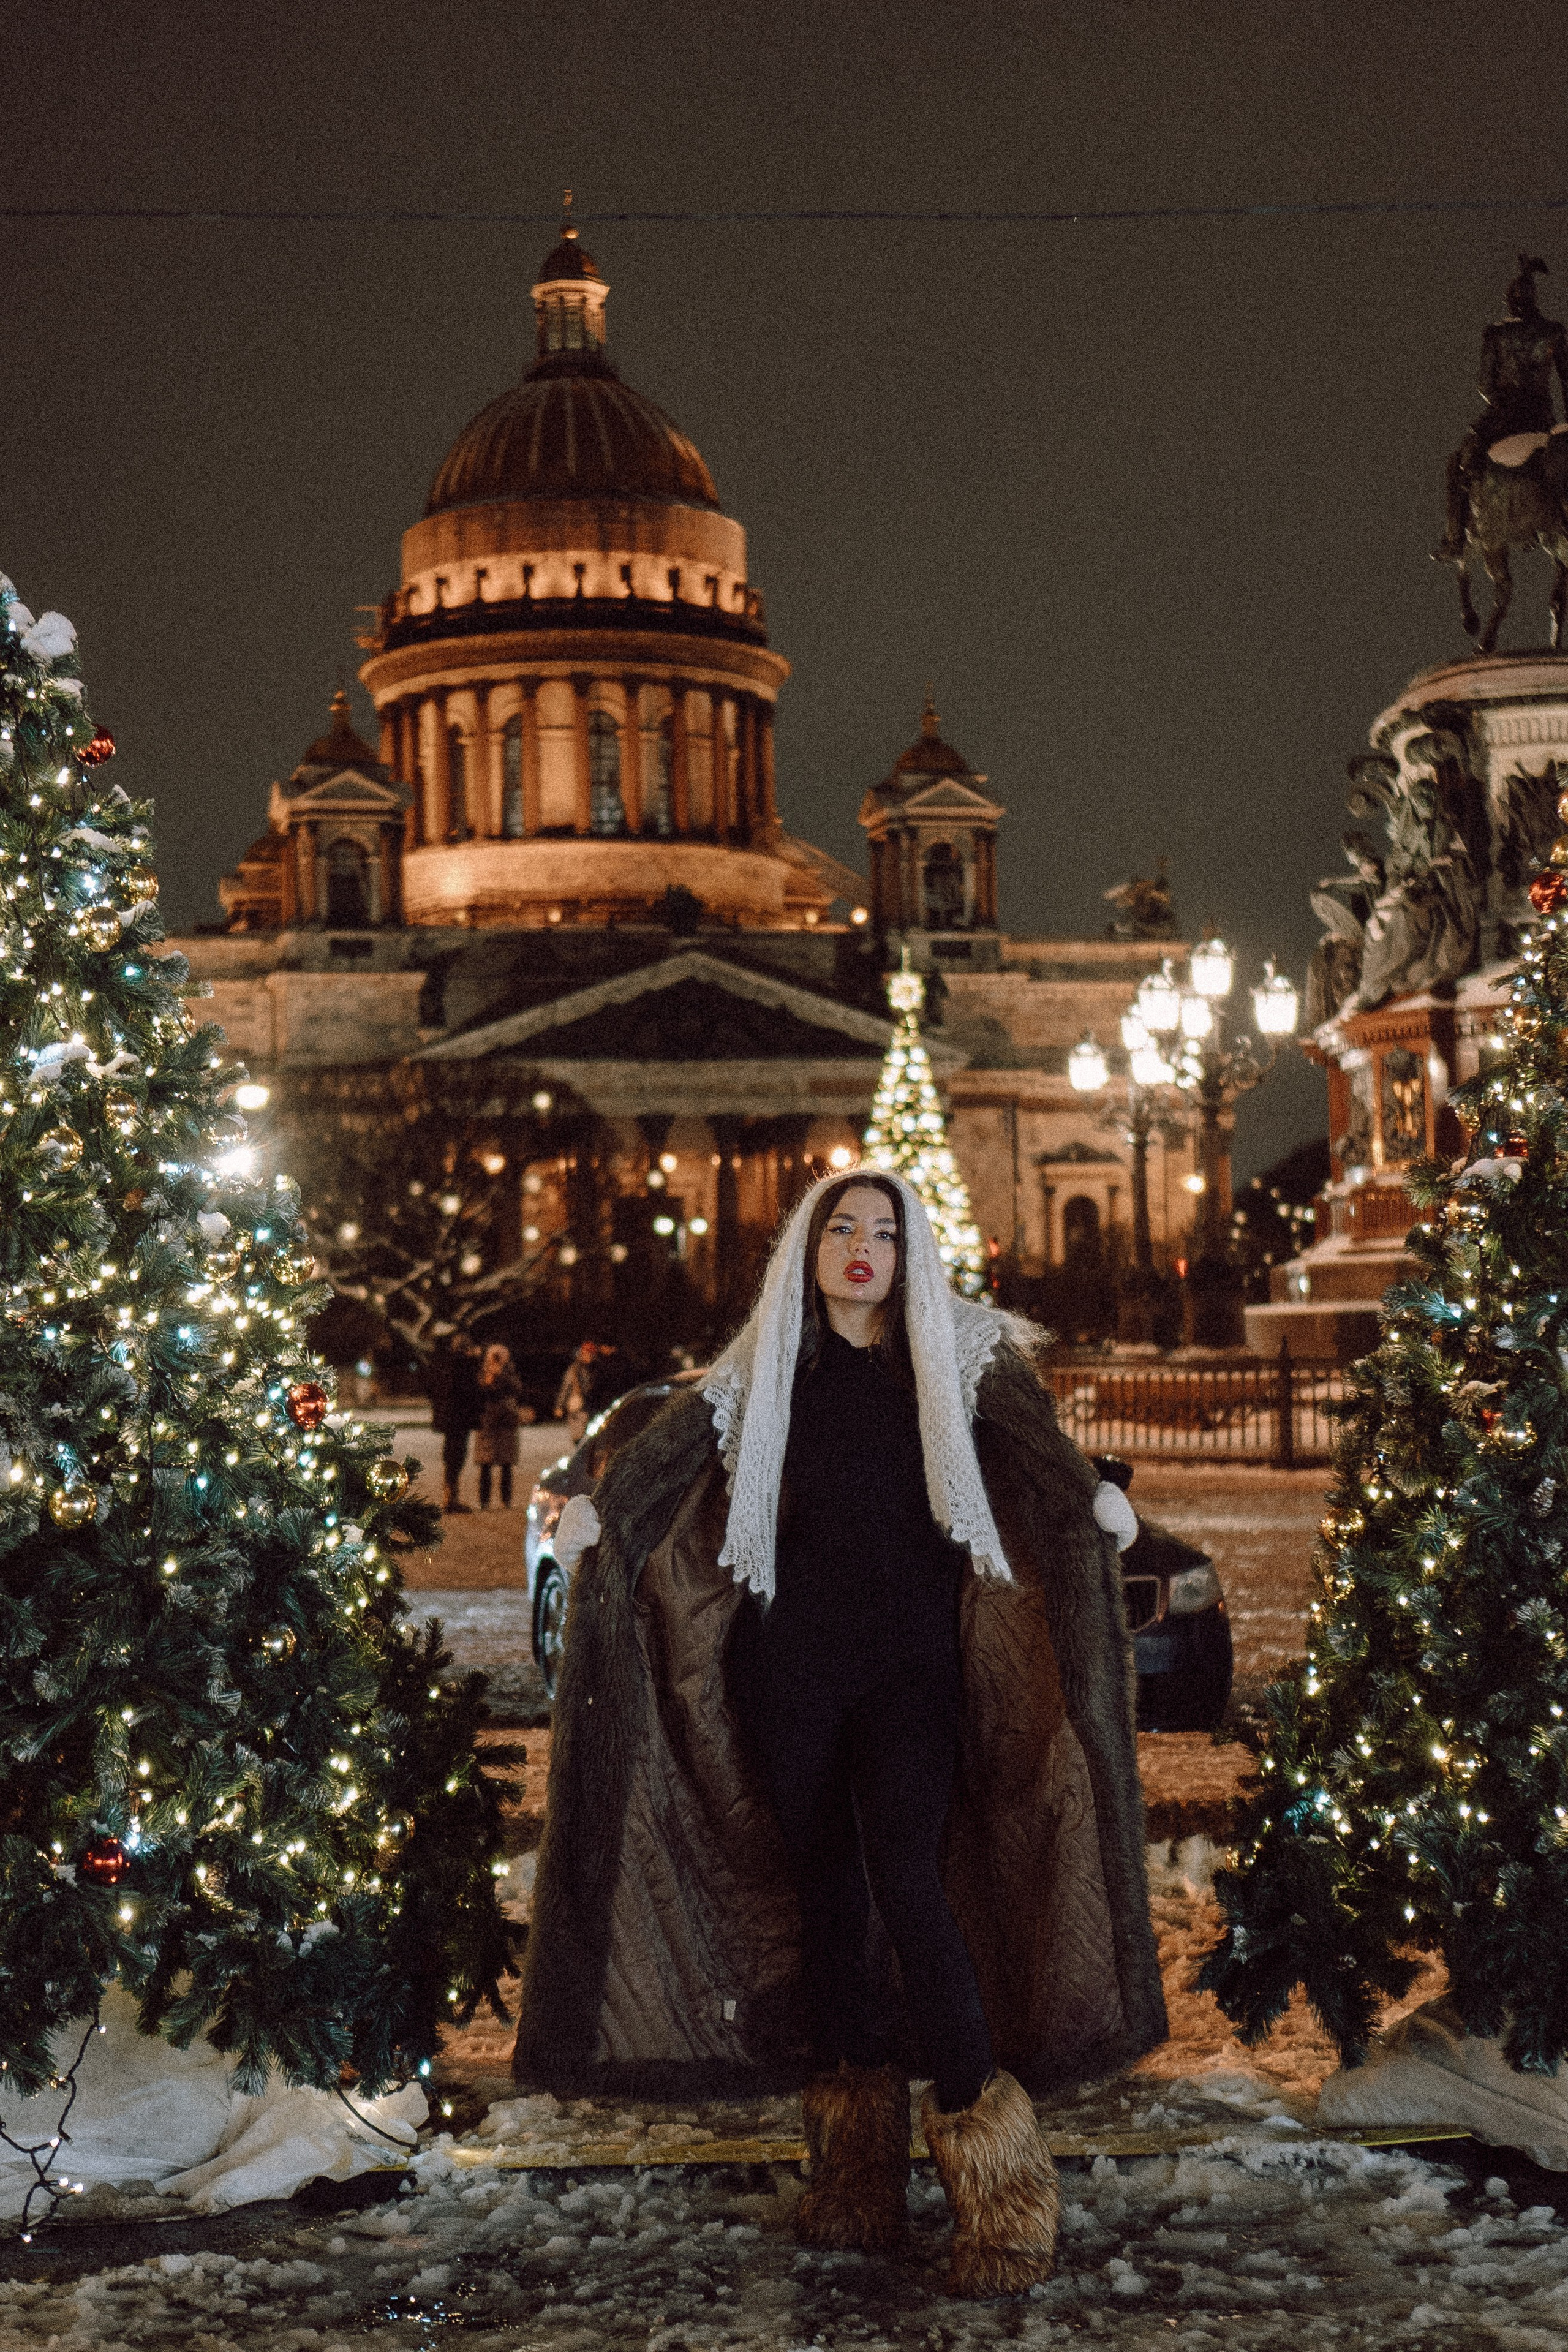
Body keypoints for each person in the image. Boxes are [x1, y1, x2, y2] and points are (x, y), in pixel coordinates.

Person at [515, 1172, 1163, 2298]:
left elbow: (1039, 1453)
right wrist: (597, 1514)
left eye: (884, 1233)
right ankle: (858, 2175)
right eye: (841, 1231)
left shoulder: (958, 1357)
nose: (863, 1249)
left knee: (911, 1885)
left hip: (911, 1677)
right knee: (826, 1899)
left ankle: (1000, 2186)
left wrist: (1091, 1503)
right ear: (807, 1252)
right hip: (790, 1673)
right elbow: (669, 1459)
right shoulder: (764, 1367)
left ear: (912, 1253)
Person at [1434, 252, 1568, 561]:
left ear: (1511, 302)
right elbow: (1566, 382)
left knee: (1458, 463)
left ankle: (1455, 540)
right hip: (1542, 418)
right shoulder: (1555, 332)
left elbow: (1485, 384)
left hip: (1503, 419)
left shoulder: (1496, 333)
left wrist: (1502, 401)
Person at [426, 1330, 481, 1514]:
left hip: (449, 1419)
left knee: (451, 1456)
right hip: (460, 1419)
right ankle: (451, 1498)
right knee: (457, 1456)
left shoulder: (444, 1365)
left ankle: (449, 1495)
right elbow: (471, 1392)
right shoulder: (464, 1365)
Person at [474, 1341, 525, 1509]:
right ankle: (484, 1501)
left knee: (506, 1465)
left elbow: (517, 1389)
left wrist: (501, 1375)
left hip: (506, 1423)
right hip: (487, 1423)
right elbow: (479, 1392)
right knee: (485, 1466)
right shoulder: (483, 1372)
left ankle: (506, 1500)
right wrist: (488, 1382)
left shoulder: (510, 1371)